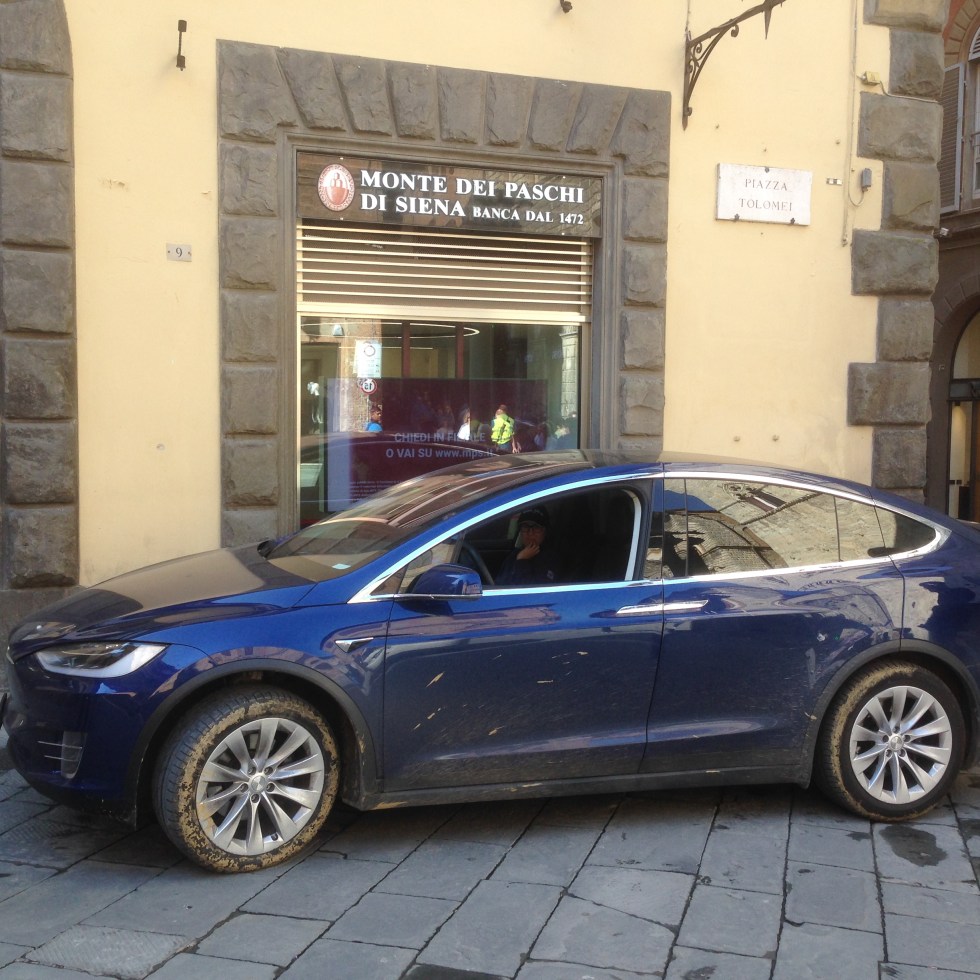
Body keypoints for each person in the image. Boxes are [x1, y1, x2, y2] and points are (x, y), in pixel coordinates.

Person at [496, 507, 561, 585]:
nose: (530, 533)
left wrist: (522, 561)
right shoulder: (514, 555)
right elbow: (500, 583)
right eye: (525, 527)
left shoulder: (550, 559)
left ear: (544, 531)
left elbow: (535, 590)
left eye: (536, 527)